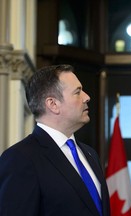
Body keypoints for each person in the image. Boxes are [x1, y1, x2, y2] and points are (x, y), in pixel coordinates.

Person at [0, 64, 110, 216]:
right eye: (77, 92)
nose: (87, 97)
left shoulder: (90, 154)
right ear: (53, 104)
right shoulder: (20, 158)